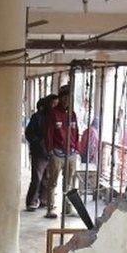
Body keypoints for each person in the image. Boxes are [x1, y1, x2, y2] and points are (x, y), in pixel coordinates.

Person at [42, 85, 80, 219]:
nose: (67, 100)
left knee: (69, 182)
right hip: (57, 152)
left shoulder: (72, 113)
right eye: (64, 97)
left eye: (69, 97)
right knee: (53, 181)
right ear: (61, 98)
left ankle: (67, 208)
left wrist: (76, 148)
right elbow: (49, 133)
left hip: (71, 153)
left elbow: (76, 132)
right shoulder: (53, 113)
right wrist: (50, 150)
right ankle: (50, 209)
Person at [23, 94, 58, 211]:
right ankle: (31, 201)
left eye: (56, 104)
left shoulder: (56, 117)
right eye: (53, 104)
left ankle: (43, 200)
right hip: (39, 152)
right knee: (37, 177)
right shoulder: (37, 117)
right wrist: (38, 143)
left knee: (48, 178)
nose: (55, 106)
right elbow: (28, 133)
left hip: (52, 151)